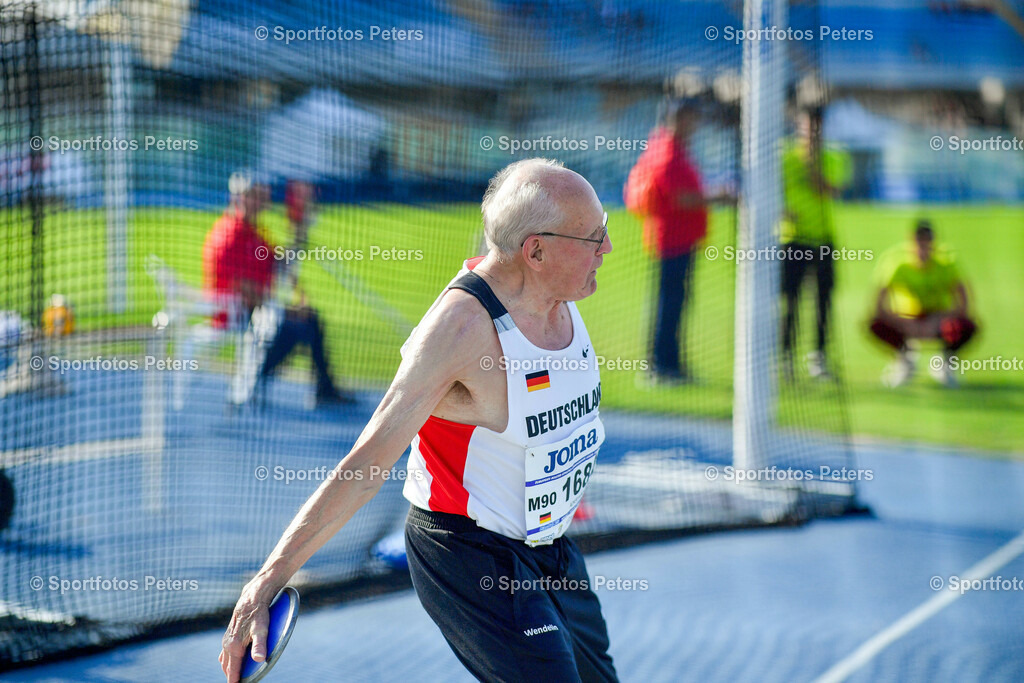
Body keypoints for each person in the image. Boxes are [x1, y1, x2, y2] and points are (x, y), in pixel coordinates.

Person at [219, 158, 618, 682]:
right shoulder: (459, 331)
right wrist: (266, 582)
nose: (608, 248)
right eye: (593, 237)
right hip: (471, 553)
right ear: (536, 251)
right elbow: (369, 460)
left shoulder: (557, 293)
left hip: (550, 547)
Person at [201, 172, 349, 407]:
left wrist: (300, 230)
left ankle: (314, 387)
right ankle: (254, 378)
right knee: (300, 325)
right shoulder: (229, 235)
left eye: (263, 197)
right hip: (236, 313)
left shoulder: (255, 233)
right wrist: (286, 310)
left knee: (308, 319)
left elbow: (280, 264)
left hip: (258, 310)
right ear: (239, 198)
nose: (262, 203)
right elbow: (243, 290)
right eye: (255, 197)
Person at [624, 98, 731, 385]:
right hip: (672, 240)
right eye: (691, 118)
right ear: (679, 119)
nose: (695, 125)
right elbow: (680, 197)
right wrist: (718, 195)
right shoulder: (667, 151)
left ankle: (670, 365)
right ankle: (661, 367)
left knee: (674, 302)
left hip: (678, 239)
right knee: (669, 304)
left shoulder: (670, 148)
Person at [779, 106, 852, 380]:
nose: (811, 133)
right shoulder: (784, 157)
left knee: (823, 301)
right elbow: (771, 192)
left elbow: (830, 190)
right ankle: (785, 358)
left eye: (816, 128)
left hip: (822, 239)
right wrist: (780, 210)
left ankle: (818, 359)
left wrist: (811, 165)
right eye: (807, 127)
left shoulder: (833, 157)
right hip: (793, 239)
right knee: (790, 300)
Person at [869, 219, 976, 387]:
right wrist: (904, 322)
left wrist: (936, 321)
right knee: (875, 325)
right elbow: (877, 306)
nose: (923, 246)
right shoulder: (896, 261)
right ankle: (904, 359)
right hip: (906, 317)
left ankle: (945, 363)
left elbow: (965, 305)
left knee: (966, 326)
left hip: (938, 317)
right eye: (919, 240)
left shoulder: (947, 261)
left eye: (927, 241)